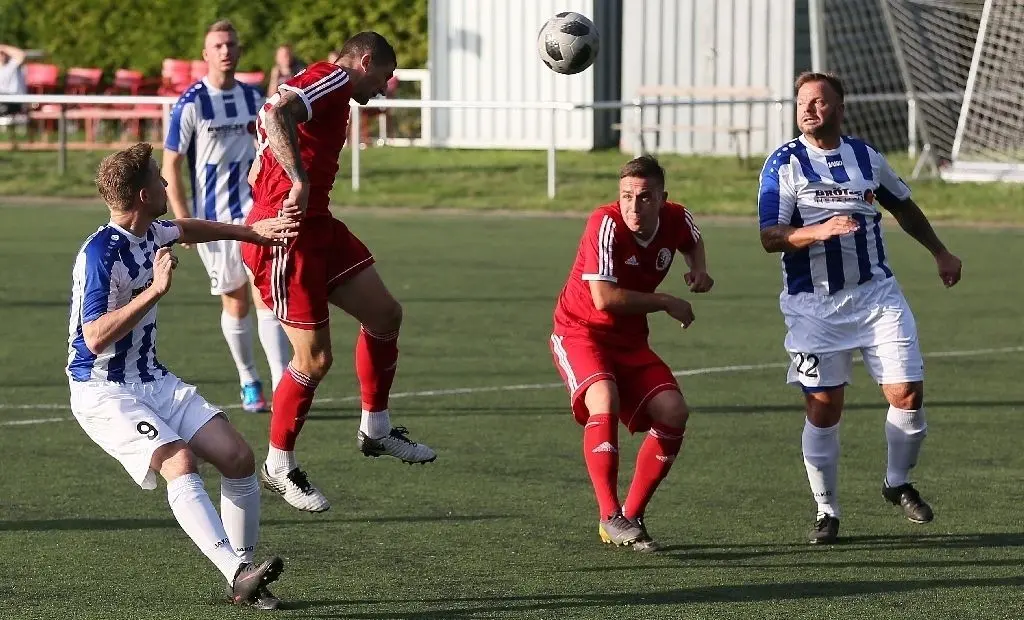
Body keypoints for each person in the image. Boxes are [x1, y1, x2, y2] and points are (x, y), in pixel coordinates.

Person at [67, 143, 298, 607]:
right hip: (102, 388)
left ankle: (246, 575)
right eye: (158, 179)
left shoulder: (153, 230)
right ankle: (236, 571)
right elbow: (93, 337)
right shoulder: (100, 256)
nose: (167, 184)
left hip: (151, 378)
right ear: (140, 195)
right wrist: (156, 289)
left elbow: (189, 226)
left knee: (237, 457)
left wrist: (252, 233)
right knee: (180, 463)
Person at [757, 72, 963, 544]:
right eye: (802, 102)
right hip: (815, 307)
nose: (809, 109)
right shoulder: (783, 164)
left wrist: (940, 252)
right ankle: (826, 512)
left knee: (907, 395)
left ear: (840, 108)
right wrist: (817, 231)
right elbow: (770, 237)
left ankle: (897, 483)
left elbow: (904, 207)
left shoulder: (865, 157)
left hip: (876, 298)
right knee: (825, 409)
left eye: (819, 101)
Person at [243, 31, 436, 514]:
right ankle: (279, 464)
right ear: (365, 62)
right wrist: (297, 179)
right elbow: (273, 113)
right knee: (314, 360)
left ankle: (376, 428)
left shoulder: (328, 87)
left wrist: (265, 162)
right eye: (384, 76)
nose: (385, 87)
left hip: (320, 227)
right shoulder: (331, 78)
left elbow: (268, 121)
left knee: (385, 315)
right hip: (287, 236)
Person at [549, 155, 713, 551]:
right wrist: (666, 301)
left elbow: (692, 239)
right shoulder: (604, 223)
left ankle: (632, 515)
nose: (633, 207)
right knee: (603, 397)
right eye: (626, 197)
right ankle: (609, 514)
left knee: (674, 411)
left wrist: (700, 269)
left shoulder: (677, 217)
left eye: (643, 197)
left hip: (630, 341)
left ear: (661, 198)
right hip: (580, 332)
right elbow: (603, 299)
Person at [163, 20, 291, 414]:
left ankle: (284, 383)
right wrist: (183, 220)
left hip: (256, 215)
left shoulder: (253, 97)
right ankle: (249, 380)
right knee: (235, 302)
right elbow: (171, 164)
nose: (225, 51)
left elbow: (270, 148)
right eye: (217, 45)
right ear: (205, 55)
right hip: (213, 223)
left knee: (267, 297)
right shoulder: (191, 103)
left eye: (231, 44)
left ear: (238, 51)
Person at [0, 43, 27, 117]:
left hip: (12, 99)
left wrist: (3, 47)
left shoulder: (11, 66)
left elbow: (21, 54)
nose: (1, 56)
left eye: (2, 54)